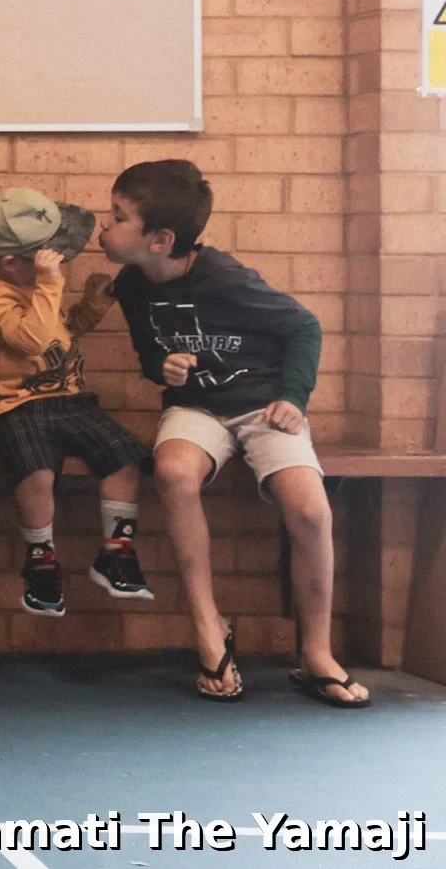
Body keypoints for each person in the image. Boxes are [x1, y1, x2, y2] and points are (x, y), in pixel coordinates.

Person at [101, 160, 368, 708]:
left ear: (160, 240)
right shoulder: (132, 286)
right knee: (174, 471)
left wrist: (293, 397)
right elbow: (150, 354)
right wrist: (162, 367)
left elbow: (304, 327)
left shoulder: (226, 279)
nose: (104, 225)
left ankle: (316, 653)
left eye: (118, 216)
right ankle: (209, 629)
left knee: (312, 512)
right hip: (196, 407)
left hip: (261, 404)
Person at [0, 187, 151, 617]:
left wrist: (93, 304)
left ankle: (117, 553)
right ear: (10, 262)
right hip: (14, 407)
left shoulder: (35, 286)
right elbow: (30, 339)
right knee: (37, 470)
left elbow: (60, 330)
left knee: (124, 454)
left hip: (69, 402)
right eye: (45, 253)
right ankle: (41, 561)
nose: (58, 259)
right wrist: (51, 283)